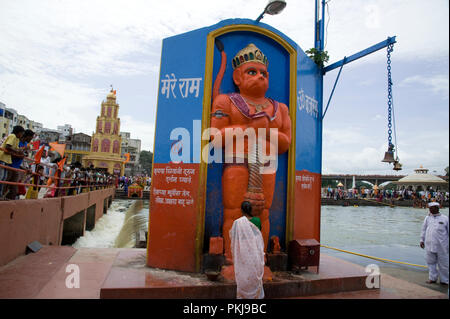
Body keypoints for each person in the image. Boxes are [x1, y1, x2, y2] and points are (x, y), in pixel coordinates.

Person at [210, 43, 292, 263]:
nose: (259, 77)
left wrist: (266, 134)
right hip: (237, 164)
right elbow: (215, 136)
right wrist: (248, 129)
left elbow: (285, 143)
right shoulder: (226, 101)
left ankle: (259, 259)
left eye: (263, 73)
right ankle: (230, 259)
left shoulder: (280, 109)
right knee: (233, 211)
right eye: (252, 72)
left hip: (266, 166)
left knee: (263, 212)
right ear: (237, 76)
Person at [230, 201, 265, 299]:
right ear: (251, 210)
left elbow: (234, 238)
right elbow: (258, 236)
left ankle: (244, 296)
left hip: (244, 254)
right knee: (254, 274)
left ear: (241, 210)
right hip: (255, 253)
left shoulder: (237, 223)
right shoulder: (257, 221)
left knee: (244, 274)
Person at [420, 202, 449, 285]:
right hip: (429, 244)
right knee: (430, 262)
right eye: (429, 208)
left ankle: (445, 280)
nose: (430, 210)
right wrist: (422, 240)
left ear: (437, 208)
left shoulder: (445, 218)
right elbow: (423, 229)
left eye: (432, 208)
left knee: (443, 264)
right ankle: (432, 278)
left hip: (442, 246)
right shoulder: (427, 218)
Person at [0, 125, 25, 199]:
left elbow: (16, 149)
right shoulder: (13, 136)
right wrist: (17, 151)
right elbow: (8, 146)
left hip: (7, 159)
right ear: (18, 132)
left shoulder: (17, 139)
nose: (22, 135)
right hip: (2, 157)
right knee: (2, 177)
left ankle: (1, 194)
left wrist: (20, 151)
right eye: (21, 133)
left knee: (4, 178)